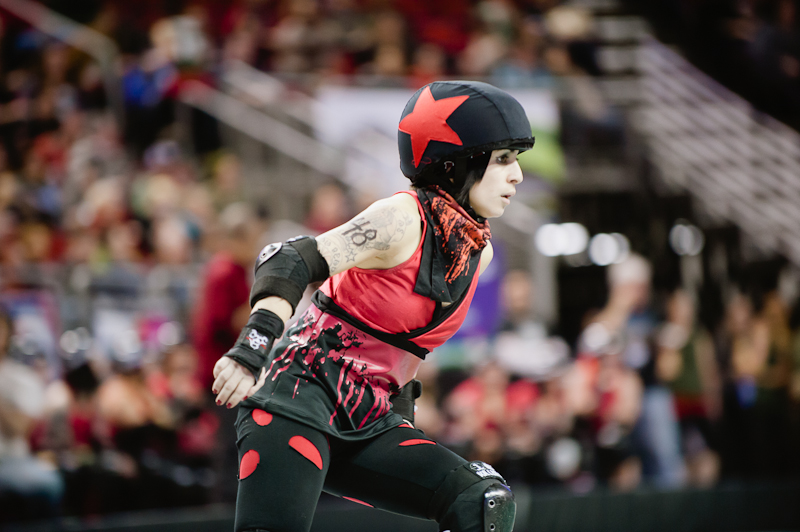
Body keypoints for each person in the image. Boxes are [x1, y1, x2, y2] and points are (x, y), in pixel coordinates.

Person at [212, 80, 535, 532]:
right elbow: (290, 259)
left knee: (481, 502)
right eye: (503, 159)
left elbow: (406, 345)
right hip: (296, 404)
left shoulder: (477, 252)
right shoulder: (402, 218)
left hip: (368, 417)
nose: (517, 175)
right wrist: (251, 349)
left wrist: (399, 413)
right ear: (455, 164)